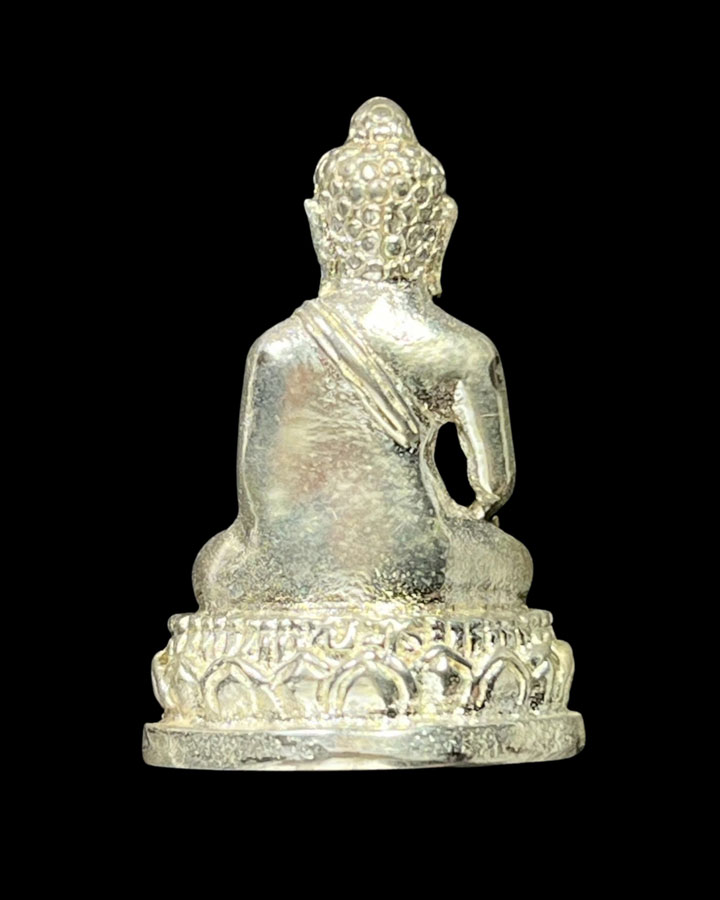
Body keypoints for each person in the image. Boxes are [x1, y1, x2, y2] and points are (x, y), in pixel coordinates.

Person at [191, 97, 532, 615]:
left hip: (285, 570)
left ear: (319, 227)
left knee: (214, 565)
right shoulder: (463, 348)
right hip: (419, 560)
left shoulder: (274, 348)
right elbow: (492, 487)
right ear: (442, 227)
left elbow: (255, 512)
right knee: (509, 560)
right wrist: (467, 518)